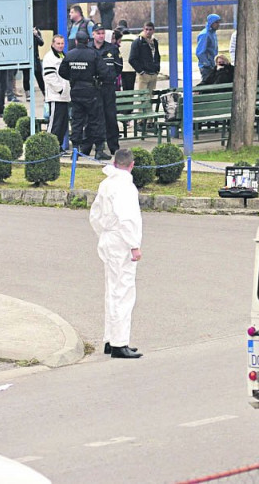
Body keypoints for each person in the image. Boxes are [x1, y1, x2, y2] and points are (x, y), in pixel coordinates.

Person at [89, 148, 143, 359]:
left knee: (112, 289)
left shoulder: (106, 183)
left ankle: (110, 339)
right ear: (132, 165)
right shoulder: (126, 187)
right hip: (121, 240)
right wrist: (134, 245)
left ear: (114, 163)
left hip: (109, 237)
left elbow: (95, 214)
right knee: (124, 290)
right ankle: (120, 342)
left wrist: (103, 234)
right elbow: (127, 218)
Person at [59, 29, 109, 160]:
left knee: (77, 121)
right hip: (91, 91)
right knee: (96, 120)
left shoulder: (69, 55)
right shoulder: (93, 54)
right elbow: (104, 72)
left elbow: (62, 72)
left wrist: (73, 78)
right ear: (87, 41)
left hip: (76, 91)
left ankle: (75, 150)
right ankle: (99, 150)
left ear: (76, 41)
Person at [92, 25, 123, 155]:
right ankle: (96, 147)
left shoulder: (112, 49)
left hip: (108, 87)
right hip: (93, 88)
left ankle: (114, 147)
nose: (101, 36)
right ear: (93, 34)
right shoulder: (89, 48)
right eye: (98, 33)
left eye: (102, 33)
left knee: (110, 117)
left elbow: (119, 67)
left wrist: (110, 77)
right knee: (94, 118)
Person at [42, 33, 71, 150]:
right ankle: (49, 147)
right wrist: (61, 90)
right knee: (55, 123)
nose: (60, 45)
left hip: (65, 97)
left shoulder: (63, 55)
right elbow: (49, 77)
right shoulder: (49, 57)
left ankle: (58, 146)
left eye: (62, 43)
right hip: (55, 97)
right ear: (53, 44)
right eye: (58, 43)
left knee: (63, 125)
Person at [129, 22, 161, 100]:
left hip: (153, 73)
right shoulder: (138, 42)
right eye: (146, 29)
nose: (148, 31)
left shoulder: (154, 42)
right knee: (142, 98)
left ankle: (150, 108)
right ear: (143, 29)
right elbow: (132, 59)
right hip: (144, 74)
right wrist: (141, 71)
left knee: (151, 98)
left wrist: (157, 69)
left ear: (153, 30)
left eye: (150, 29)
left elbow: (157, 55)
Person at [195, 14, 220, 82]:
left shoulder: (213, 33)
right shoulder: (205, 34)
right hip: (207, 67)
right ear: (211, 22)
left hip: (213, 64)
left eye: (219, 22)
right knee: (207, 83)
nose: (218, 24)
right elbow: (200, 52)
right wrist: (207, 64)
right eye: (216, 22)